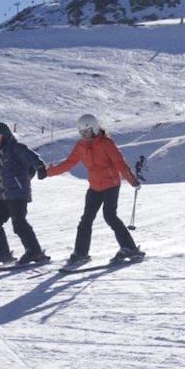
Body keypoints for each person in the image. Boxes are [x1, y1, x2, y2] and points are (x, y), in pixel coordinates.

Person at [44, 114, 143, 267]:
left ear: (95, 128)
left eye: (86, 131)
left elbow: (119, 163)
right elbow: (69, 163)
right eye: (81, 133)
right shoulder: (81, 146)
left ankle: (130, 248)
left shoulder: (107, 143)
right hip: (95, 186)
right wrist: (49, 172)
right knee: (86, 219)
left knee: (110, 216)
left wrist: (132, 180)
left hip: (111, 184)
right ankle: (81, 253)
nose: (84, 135)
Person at [0, 122, 49, 268]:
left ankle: (35, 252)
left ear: (5, 134)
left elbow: (33, 157)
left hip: (18, 194)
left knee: (19, 224)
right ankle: (2, 253)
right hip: (2, 197)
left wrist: (41, 168)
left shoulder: (16, 148)